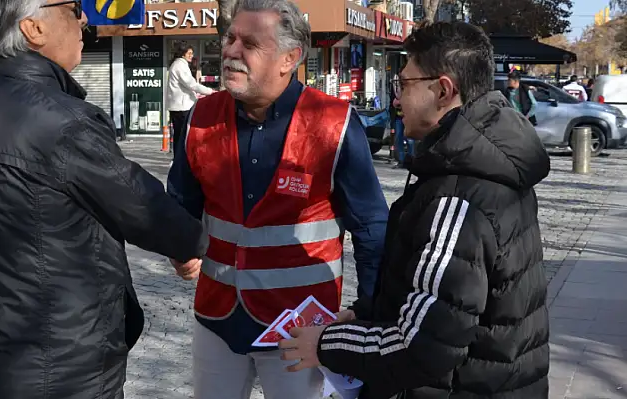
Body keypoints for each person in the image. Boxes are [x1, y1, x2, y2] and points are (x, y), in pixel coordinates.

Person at [0, 0, 208, 398]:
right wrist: (192, 242)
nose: (84, 20)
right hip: (65, 367)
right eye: (73, 8)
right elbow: (143, 206)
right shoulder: (64, 122)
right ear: (32, 28)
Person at [280, 21, 551, 399]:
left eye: (403, 84)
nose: (395, 99)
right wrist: (366, 316)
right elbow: (437, 298)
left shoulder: (460, 193)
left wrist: (326, 342)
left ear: (443, 90)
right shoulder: (482, 162)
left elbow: (423, 346)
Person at [166, 0, 389, 398]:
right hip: (217, 317)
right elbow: (180, 199)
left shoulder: (333, 123)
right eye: (230, 38)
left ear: (289, 58)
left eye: (249, 43)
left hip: (300, 329)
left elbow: (372, 228)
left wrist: (369, 313)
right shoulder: (201, 116)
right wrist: (179, 246)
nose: (231, 51)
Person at [166, 43, 215, 157]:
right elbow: (191, 84)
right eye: (189, 53)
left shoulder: (177, 64)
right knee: (184, 135)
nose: (191, 56)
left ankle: (179, 158)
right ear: (183, 54)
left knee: (179, 135)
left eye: (192, 53)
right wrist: (210, 91)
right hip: (182, 106)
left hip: (178, 105)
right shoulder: (180, 65)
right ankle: (182, 159)